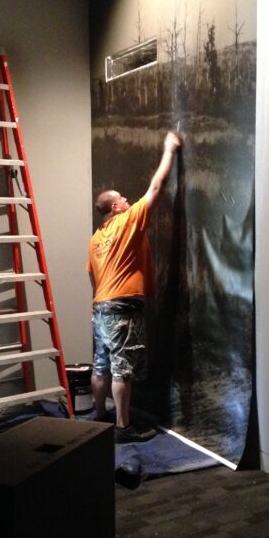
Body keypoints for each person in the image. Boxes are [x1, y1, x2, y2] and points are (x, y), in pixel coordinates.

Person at [86, 131, 183, 443]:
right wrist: (169, 149)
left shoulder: (96, 239)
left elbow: (92, 276)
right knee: (122, 369)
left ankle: (99, 418)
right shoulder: (127, 222)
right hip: (123, 308)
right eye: (124, 199)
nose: (128, 201)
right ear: (116, 207)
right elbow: (156, 187)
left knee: (101, 365)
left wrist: (98, 305)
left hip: (101, 307)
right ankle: (123, 428)